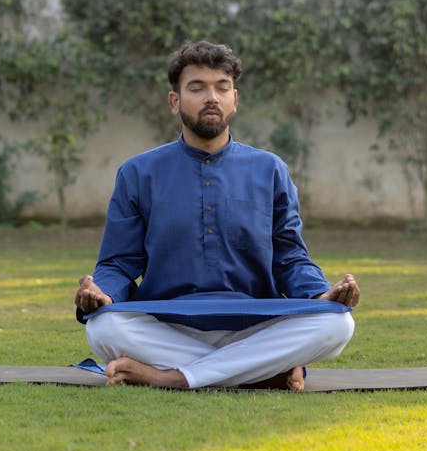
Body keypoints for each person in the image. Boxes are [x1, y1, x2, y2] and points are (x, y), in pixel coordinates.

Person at [74, 39, 360, 390]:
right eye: (197, 88)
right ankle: (261, 371)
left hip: (255, 323)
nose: (212, 97)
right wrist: (101, 293)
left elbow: (290, 257)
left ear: (234, 100)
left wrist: (320, 295)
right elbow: (118, 263)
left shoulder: (269, 169)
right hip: (167, 323)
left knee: (337, 325)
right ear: (175, 101)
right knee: (103, 327)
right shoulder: (138, 173)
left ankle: (172, 377)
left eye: (222, 88)